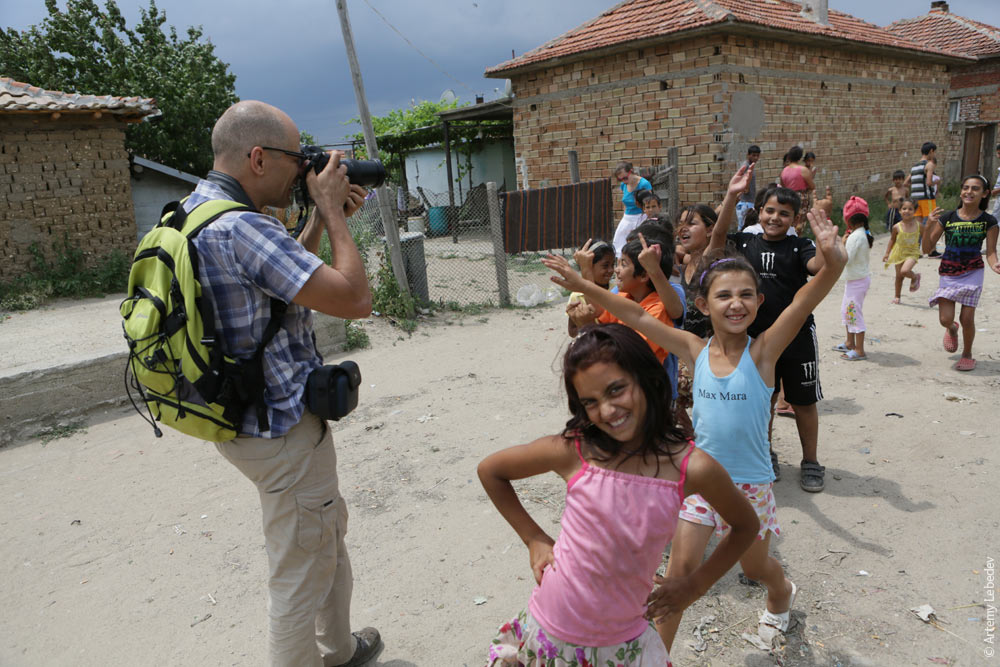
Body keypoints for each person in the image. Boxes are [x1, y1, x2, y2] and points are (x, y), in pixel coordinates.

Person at [543, 202, 848, 653]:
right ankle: (656, 659)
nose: (736, 303)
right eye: (724, 295)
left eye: (747, 294)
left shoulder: (764, 353)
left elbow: (806, 300)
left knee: (756, 567)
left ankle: (781, 592)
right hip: (702, 483)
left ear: (760, 302)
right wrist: (585, 284)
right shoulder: (694, 349)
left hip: (750, 489)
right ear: (704, 304)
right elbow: (637, 317)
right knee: (678, 581)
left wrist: (833, 262)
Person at [188, 100, 380, 667]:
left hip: (240, 421)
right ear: (256, 157)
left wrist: (320, 219)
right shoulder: (243, 227)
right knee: (299, 570)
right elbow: (355, 300)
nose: (304, 170)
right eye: (297, 159)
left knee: (322, 541)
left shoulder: (195, 211)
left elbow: (292, 281)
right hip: (281, 429)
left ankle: (339, 650)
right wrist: (337, 215)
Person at [479, 324, 758, 666]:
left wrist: (694, 586)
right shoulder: (575, 450)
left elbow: (746, 525)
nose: (608, 410)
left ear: (648, 380)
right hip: (549, 632)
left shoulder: (691, 467)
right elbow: (491, 471)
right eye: (591, 402)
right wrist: (534, 538)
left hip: (622, 644)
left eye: (616, 389)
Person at [708, 173, 829, 493]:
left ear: (795, 219)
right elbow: (716, 241)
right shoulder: (746, 242)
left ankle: (811, 461)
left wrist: (827, 246)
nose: (775, 218)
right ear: (759, 211)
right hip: (758, 342)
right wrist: (731, 198)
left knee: (804, 402)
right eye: (770, 211)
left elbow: (817, 266)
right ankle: (767, 452)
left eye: (784, 213)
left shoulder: (800, 245)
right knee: (765, 400)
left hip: (798, 338)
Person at [923, 174, 1000, 372]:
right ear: (961, 191)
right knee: (945, 319)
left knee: (967, 318)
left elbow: (991, 252)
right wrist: (928, 225)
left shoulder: (989, 221)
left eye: (975, 188)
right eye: (966, 187)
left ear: (985, 194)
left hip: (973, 272)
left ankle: (967, 354)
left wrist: (995, 264)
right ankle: (952, 329)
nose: (969, 192)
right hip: (948, 273)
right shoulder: (948, 218)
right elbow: (926, 248)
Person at [833, 197, 874, 361]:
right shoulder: (860, 233)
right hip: (855, 280)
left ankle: (860, 350)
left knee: (853, 313)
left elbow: (846, 258)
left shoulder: (856, 237)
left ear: (848, 219)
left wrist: (841, 243)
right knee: (847, 310)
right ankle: (850, 342)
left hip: (857, 281)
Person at [566, 239, 615, 337]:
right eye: (605, 266)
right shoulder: (577, 296)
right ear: (588, 266)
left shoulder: (617, 291)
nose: (611, 270)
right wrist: (584, 325)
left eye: (613, 265)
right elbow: (572, 331)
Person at [883, 198, 922, 303]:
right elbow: (892, 240)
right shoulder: (896, 227)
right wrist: (887, 253)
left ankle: (915, 277)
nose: (907, 211)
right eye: (904, 209)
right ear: (899, 211)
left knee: (904, 271)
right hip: (899, 253)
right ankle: (897, 297)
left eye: (910, 209)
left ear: (914, 211)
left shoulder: (919, 225)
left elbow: (926, 237)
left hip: (912, 253)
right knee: (899, 277)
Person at [906, 141, 939, 256]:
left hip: (915, 199)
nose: (934, 155)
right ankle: (931, 249)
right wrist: (937, 181)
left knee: (918, 225)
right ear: (931, 151)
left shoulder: (914, 166)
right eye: (934, 152)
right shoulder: (929, 164)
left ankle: (915, 251)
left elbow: (906, 182)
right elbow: (929, 182)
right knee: (932, 223)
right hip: (927, 199)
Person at [612, 161, 652, 255]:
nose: (624, 181)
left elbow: (650, 203)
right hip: (627, 218)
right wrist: (623, 218)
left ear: (631, 171)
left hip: (640, 217)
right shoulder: (624, 185)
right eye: (620, 179)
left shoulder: (644, 184)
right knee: (619, 245)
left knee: (636, 246)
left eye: (625, 178)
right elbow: (625, 203)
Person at [778, 146, 815, 233]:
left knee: (789, 220)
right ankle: (797, 241)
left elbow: (783, 186)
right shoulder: (803, 170)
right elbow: (812, 186)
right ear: (800, 157)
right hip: (801, 198)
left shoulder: (784, 171)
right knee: (799, 223)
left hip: (788, 197)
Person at [736, 145, 761, 229]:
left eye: (757, 155)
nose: (756, 158)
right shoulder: (746, 166)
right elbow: (742, 178)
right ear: (748, 155)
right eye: (753, 155)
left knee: (747, 226)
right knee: (744, 226)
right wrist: (745, 188)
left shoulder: (751, 166)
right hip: (745, 202)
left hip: (749, 201)